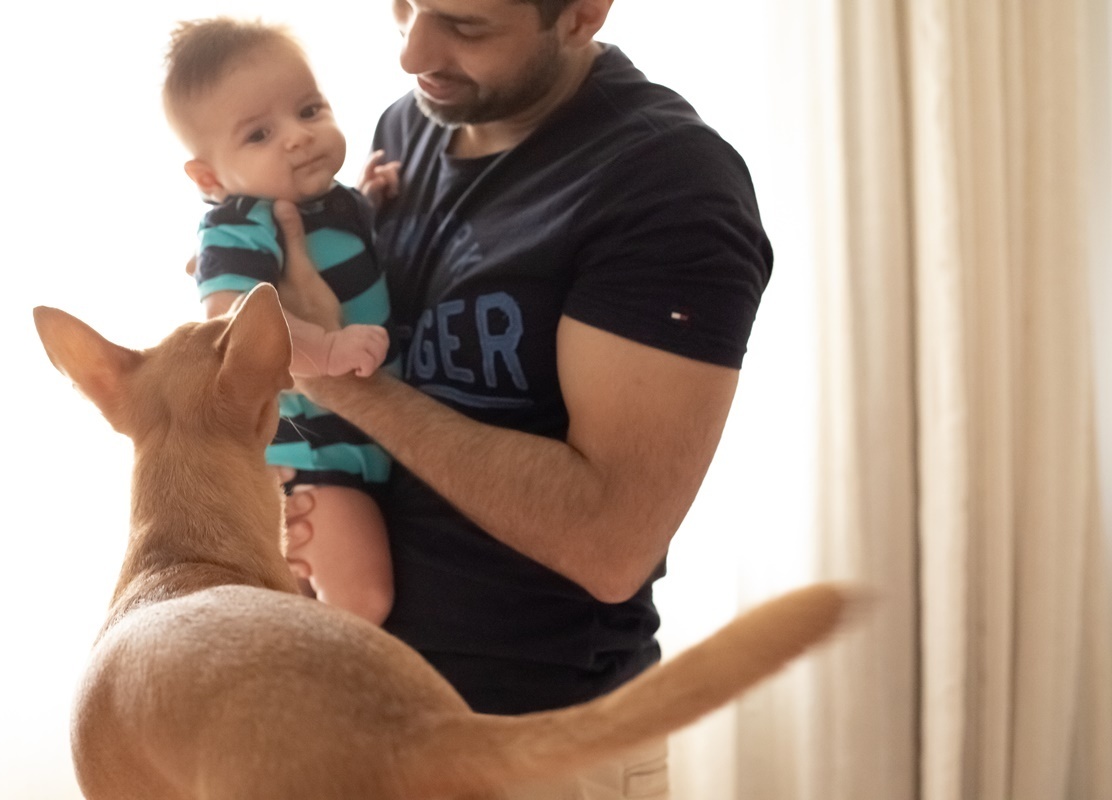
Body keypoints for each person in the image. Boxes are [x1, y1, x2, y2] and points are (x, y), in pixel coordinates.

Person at [274, 0, 773, 795]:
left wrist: (325, 374)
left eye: (464, 25)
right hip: (364, 711)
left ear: (581, 14)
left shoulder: (667, 184)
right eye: (402, 3)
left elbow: (612, 542)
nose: (413, 52)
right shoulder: (410, 125)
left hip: (537, 741)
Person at [162, 17, 397, 624]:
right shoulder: (239, 222)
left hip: (363, 440)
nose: (298, 137)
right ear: (210, 177)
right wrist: (322, 349)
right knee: (364, 600)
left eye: (310, 110)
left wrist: (371, 202)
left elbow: (340, 256)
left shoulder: (332, 201)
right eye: (260, 133)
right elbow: (237, 323)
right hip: (314, 457)